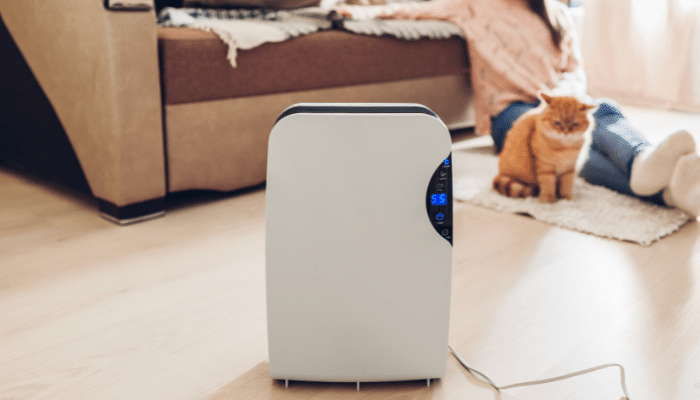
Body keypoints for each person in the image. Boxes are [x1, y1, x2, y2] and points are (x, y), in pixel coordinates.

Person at [336, 0, 700, 216]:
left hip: (558, 101)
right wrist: (351, 12)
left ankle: (662, 185)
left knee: (602, 109)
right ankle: (643, 165)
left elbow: (574, 68)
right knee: (554, 147)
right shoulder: (474, 5)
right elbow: (413, 11)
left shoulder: (554, 12)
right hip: (512, 111)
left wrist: (564, 98)